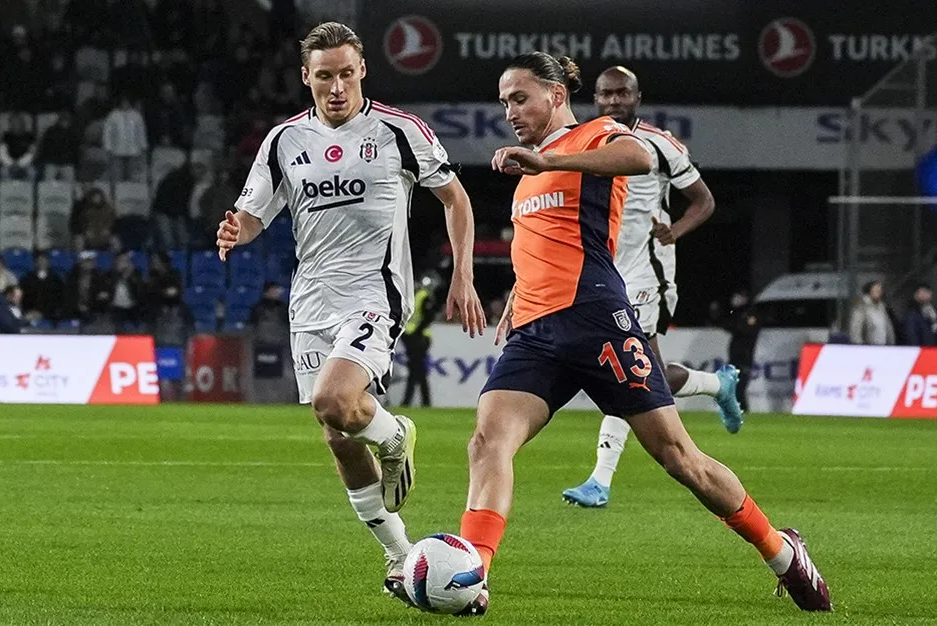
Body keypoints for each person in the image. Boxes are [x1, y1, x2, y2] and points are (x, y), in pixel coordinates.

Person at [452, 52, 830, 616]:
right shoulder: (528, 177)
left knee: (681, 458)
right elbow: (543, 245)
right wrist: (514, 297)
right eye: (504, 100)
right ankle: (469, 575)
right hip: (535, 331)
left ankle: (783, 553)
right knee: (487, 442)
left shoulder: (596, 135)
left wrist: (548, 157)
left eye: (520, 97)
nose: (509, 111)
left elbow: (638, 155)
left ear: (556, 96)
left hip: (597, 319)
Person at [215, 22, 485, 602]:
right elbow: (257, 212)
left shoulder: (398, 130)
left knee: (334, 402)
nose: (335, 86)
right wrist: (239, 229)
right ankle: (397, 553)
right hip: (310, 299)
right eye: (323, 76)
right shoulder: (283, 141)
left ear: (362, 69)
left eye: (345, 73)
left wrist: (462, 274)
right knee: (337, 432)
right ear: (305, 78)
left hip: (373, 292)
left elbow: (455, 198)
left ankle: (394, 435)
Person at [563, 66, 743, 508]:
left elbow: (704, 200)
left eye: (622, 92)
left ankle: (600, 480)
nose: (613, 101)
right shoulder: (588, 138)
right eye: (605, 94)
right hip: (603, 270)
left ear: (638, 96)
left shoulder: (660, 145)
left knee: (628, 367)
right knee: (651, 376)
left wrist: (676, 231)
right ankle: (714, 385)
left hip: (647, 272)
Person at [401, 273, 442, 407]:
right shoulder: (422, 295)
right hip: (418, 335)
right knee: (419, 371)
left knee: (415, 370)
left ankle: (408, 401)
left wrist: (416, 332)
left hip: (418, 337)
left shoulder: (423, 296)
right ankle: (425, 401)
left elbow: (427, 317)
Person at [725, 290, 760, 412]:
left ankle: (742, 410)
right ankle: (739, 410)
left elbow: (746, 329)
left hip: (744, 356)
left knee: (740, 386)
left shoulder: (750, 314)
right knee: (735, 386)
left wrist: (738, 322)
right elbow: (728, 324)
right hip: (736, 356)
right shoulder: (738, 313)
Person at [103, 95, 149, 183]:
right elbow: (107, 133)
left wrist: (143, 148)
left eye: (127, 102)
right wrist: (108, 148)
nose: (125, 104)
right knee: (117, 178)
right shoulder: (113, 115)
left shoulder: (137, 116)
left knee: (132, 178)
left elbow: (141, 133)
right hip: (117, 152)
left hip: (134, 152)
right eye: (123, 102)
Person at [20, 251, 66, 322]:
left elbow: (59, 300)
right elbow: (23, 298)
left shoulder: (56, 280)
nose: (41, 263)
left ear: (48, 262)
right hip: (30, 314)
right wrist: (30, 312)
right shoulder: (27, 279)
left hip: (50, 316)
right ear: (35, 263)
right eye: (39, 260)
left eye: (44, 260)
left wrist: (44, 313)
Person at [849, 280, 895, 346]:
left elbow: (888, 329)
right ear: (869, 291)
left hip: (883, 348)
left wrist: (891, 344)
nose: (879, 292)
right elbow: (855, 331)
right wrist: (859, 348)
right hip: (868, 349)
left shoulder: (882, 308)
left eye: (880, 290)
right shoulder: (861, 307)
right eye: (876, 289)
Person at [0, 112, 37, 181]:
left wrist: (19, 164)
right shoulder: (6, 136)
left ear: (22, 123)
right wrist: (10, 164)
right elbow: (2, 152)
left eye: (17, 122)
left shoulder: (29, 136)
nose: (15, 124)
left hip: (25, 164)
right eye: (13, 122)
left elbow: (32, 153)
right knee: (3, 172)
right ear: (10, 124)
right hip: (9, 164)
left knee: (32, 172)